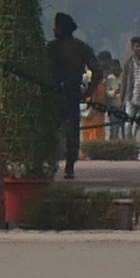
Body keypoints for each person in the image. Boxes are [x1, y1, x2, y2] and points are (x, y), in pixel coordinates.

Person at [46, 11, 91, 176]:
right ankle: (69, 167)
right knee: (72, 134)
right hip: (73, 95)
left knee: (50, 132)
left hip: (54, 95)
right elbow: (97, 71)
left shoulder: (51, 48)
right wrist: (87, 92)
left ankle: (50, 165)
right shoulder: (81, 47)